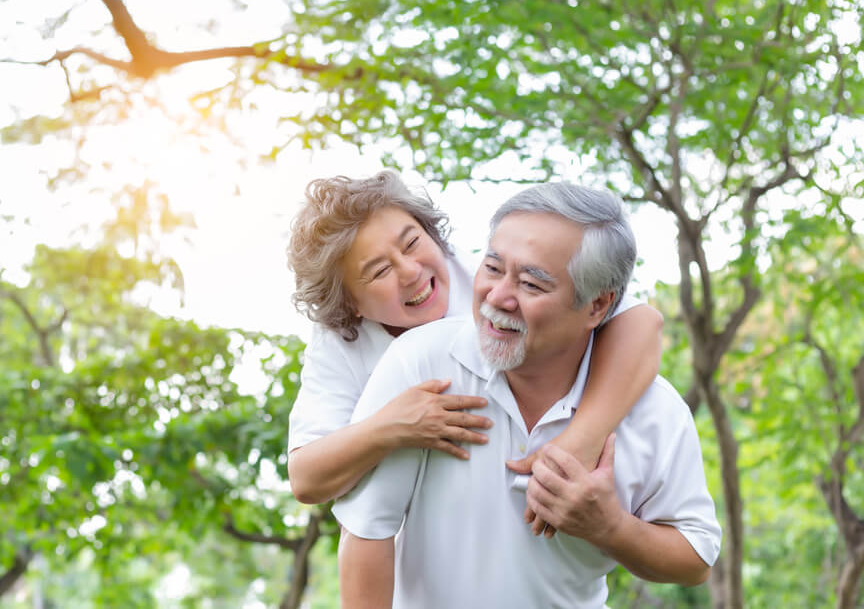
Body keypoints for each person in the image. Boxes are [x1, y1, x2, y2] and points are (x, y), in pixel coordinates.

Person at [332, 182, 722, 608]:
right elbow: (367, 532)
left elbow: (696, 558)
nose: (498, 297)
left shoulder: (654, 410)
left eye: (532, 285)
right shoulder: (421, 364)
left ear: (597, 306)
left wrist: (610, 527)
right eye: (493, 268)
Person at [285, 171, 664, 513]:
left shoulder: (491, 280)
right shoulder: (338, 341)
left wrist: (580, 441)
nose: (411, 271)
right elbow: (306, 478)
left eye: (412, 242)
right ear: (350, 304)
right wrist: (393, 426)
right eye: (380, 270)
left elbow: (642, 322)